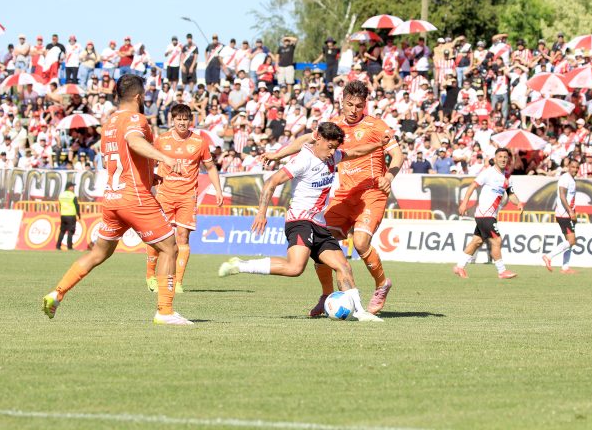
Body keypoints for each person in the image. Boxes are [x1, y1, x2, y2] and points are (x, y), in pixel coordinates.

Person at [42, 74, 192, 325]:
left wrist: (150, 175)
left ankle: (57, 294)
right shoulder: (136, 119)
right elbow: (133, 141)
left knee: (98, 253)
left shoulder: (109, 123)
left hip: (112, 198)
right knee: (170, 247)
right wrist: (166, 159)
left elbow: (113, 161)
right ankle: (165, 312)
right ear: (139, 97)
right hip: (135, 198)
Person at [218, 121, 386, 322]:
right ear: (318, 139)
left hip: (319, 224)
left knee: (343, 266)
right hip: (300, 221)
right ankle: (241, 265)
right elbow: (271, 182)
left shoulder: (332, 157)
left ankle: (359, 312)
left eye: (335, 148)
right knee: (295, 268)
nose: (333, 152)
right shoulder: (303, 160)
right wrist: (262, 213)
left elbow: (357, 151)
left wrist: (379, 144)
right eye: (330, 147)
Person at [261, 80, 403, 316]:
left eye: (359, 105)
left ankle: (381, 284)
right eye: (349, 104)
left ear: (365, 105)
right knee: (321, 243)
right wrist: (277, 155)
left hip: (371, 192)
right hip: (344, 194)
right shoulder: (334, 126)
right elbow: (303, 141)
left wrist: (389, 175)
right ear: (342, 102)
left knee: (360, 242)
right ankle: (326, 294)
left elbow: (397, 155)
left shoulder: (377, 126)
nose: (354, 110)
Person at [144, 104, 224, 293]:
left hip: (187, 196)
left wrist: (218, 190)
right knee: (158, 236)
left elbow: (210, 167)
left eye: (185, 119)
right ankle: (150, 276)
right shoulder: (162, 140)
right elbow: (149, 163)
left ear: (191, 121)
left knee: (183, 236)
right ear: (172, 120)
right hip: (164, 194)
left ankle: (177, 282)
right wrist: (149, 180)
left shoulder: (199, 142)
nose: (182, 123)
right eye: (178, 119)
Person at [453, 148, 523, 279]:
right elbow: (473, 186)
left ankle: (459, 267)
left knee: (477, 241)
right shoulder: (488, 173)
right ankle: (502, 271)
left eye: (505, 157)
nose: (503, 159)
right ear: (495, 159)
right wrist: (464, 203)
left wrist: (518, 203)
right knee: (497, 240)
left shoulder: (507, 177)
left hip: (490, 215)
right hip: (485, 214)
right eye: (500, 157)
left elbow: (511, 194)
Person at [541, 158, 579, 274]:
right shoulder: (565, 178)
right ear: (568, 167)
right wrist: (570, 211)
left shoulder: (571, 179)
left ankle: (565, 267)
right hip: (564, 214)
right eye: (573, 167)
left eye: (577, 167)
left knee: (569, 241)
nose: (575, 169)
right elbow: (562, 196)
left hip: (567, 213)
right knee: (572, 241)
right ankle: (548, 256)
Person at [56, 181, 80, 251]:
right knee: (70, 231)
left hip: (63, 215)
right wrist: (78, 214)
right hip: (71, 215)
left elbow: (60, 204)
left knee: (62, 231)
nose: (73, 188)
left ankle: (58, 246)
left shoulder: (61, 195)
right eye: (72, 186)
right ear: (69, 187)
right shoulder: (72, 195)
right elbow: (77, 205)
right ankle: (69, 246)